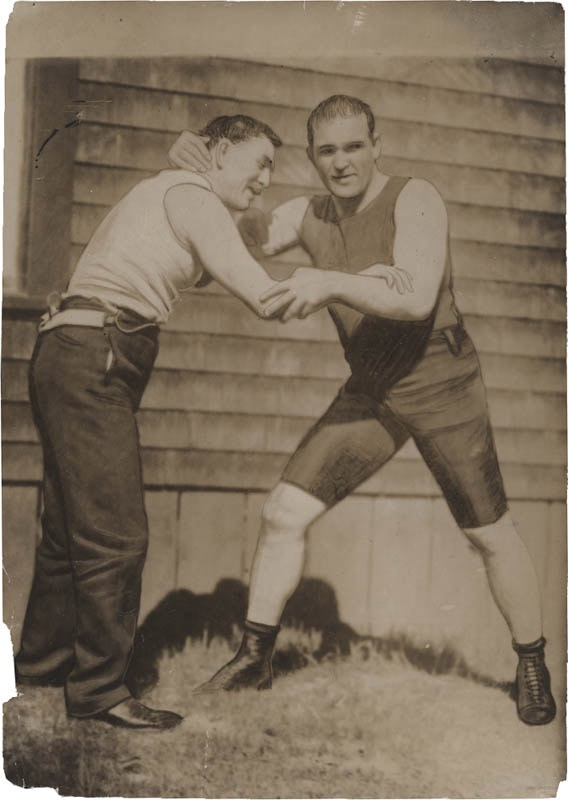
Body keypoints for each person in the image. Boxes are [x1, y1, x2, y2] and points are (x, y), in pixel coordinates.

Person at [167, 95, 556, 726]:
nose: (341, 162)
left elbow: (417, 293)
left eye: (353, 146)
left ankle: (532, 662)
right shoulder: (308, 214)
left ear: (377, 144)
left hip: (442, 382)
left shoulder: (415, 196)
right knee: (283, 512)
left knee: (488, 533)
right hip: (372, 389)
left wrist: (330, 282)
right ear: (314, 156)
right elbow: (230, 240)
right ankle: (254, 659)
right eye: (327, 150)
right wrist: (197, 178)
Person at [14, 114, 300, 730]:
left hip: (70, 352)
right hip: (99, 352)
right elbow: (262, 294)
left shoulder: (169, 192)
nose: (266, 180)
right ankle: (97, 692)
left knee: (70, 535)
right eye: (260, 164)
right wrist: (345, 286)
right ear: (220, 153)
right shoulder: (194, 200)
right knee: (117, 535)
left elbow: (241, 237)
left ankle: (39, 675)